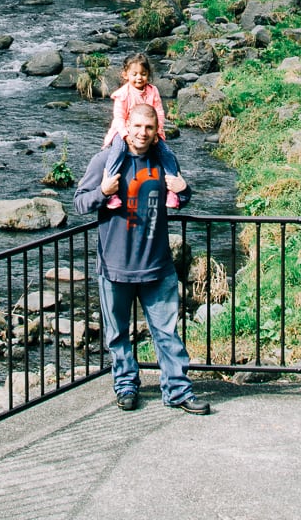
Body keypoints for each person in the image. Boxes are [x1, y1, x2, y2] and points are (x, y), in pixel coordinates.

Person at [74, 103, 210, 415]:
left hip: (157, 265)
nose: (142, 133)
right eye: (136, 127)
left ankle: (178, 391)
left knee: (167, 333)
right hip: (115, 266)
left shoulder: (164, 159)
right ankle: (126, 386)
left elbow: (179, 195)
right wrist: (103, 192)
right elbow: (80, 203)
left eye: (148, 128)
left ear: (155, 129)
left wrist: (185, 190)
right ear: (127, 126)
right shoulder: (105, 160)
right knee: (118, 334)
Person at [102, 52, 181, 210]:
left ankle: (173, 189)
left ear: (148, 75)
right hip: (123, 130)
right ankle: (111, 190)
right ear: (126, 75)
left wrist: (157, 132)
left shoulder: (153, 91)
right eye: (135, 74)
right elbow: (118, 118)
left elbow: (159, 113)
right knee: (118, 150)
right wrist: (125, 135)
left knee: (166, 152)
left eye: (143, 74)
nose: (139, 78)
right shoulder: (123, 94)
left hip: (150, 131)